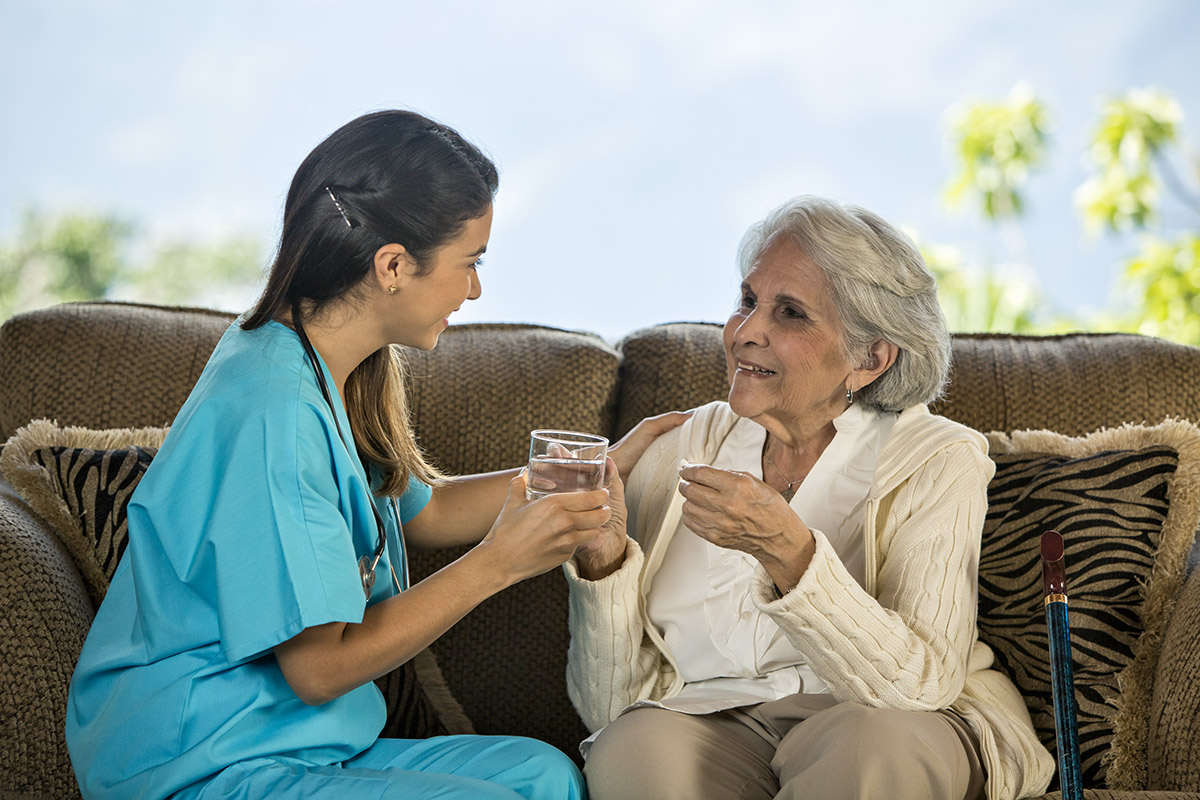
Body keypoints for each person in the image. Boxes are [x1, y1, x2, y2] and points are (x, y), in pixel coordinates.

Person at [65, 109, 680, 800]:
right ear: (393, 265)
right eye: (470, 262)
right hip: (196, 760)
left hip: (297, 743)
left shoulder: (338, 366)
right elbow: (318, 670)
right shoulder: (275, 413)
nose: (474, 289)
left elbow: (428, 508)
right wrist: (498, 564)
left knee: (545, 775)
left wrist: (601, 470)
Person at [564, 196, 1056, 800]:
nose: (746, 333)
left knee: (868, 747)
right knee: (632, 747)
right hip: (724, 722)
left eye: (790, 313)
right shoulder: (681, 449)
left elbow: (922, 686)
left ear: (870, 358)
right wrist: (603, 563)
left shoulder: (937, 457)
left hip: (894, 722)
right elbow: (612, 706)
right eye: (747, 302)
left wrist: (790, 553)